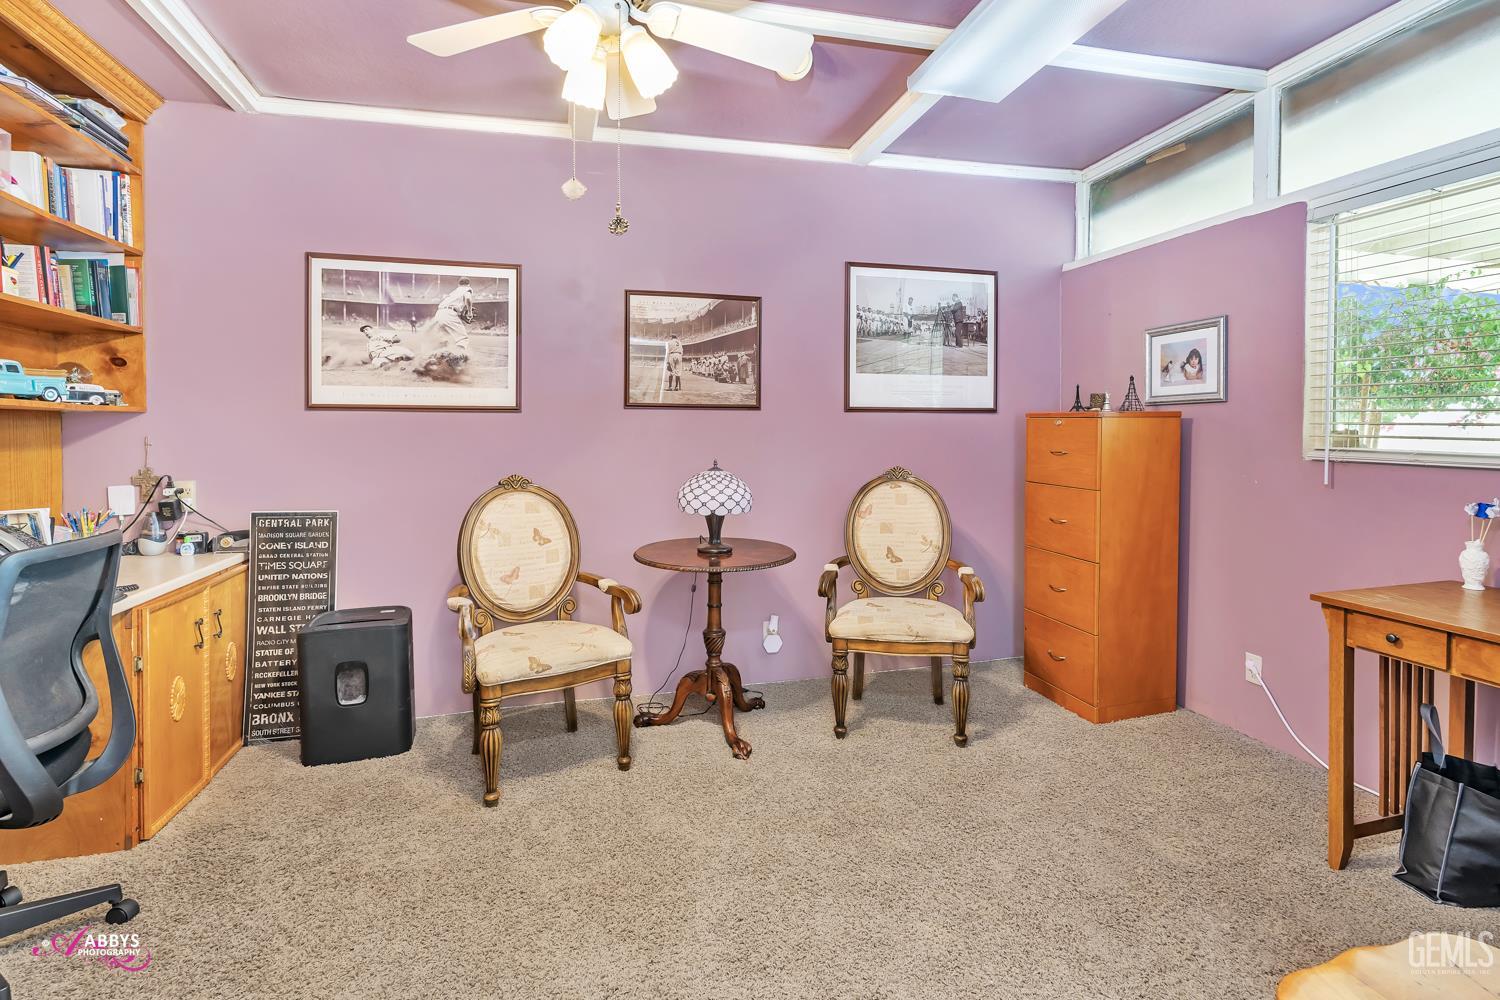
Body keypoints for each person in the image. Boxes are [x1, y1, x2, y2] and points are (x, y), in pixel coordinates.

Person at [432, 277, 474, 353]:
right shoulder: (467, 289)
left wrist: (459, 314)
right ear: (468, 284)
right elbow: (468, 298)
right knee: (463, 339)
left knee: (443, 339)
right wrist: (470, 312)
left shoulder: (455, 292)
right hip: (449, 314)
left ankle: (436, 355)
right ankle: (458, 355)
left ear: (458, 284)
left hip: (439, 314)